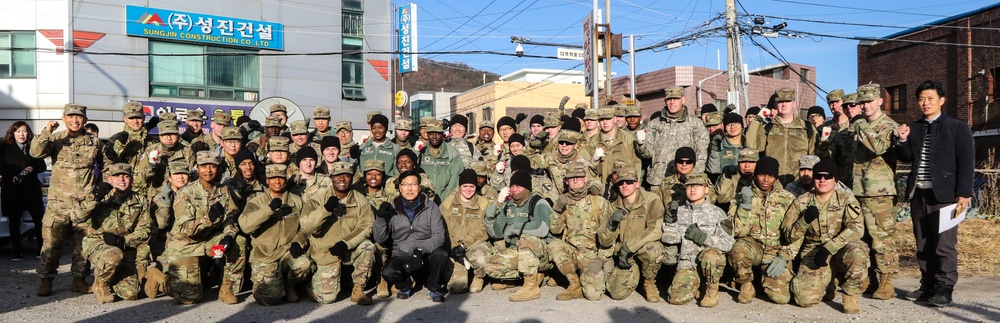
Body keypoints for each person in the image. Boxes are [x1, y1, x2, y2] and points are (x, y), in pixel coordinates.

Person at [895, 80, 975, 307]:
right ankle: (927, 284)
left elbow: (967, 162)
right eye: (921, 99)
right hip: (919, 193)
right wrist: (902, 139)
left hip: (946, 196)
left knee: (944, 245)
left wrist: (963, 193)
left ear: (942, 100)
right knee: (922, 244)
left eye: (930, 98)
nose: (925, 103)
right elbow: (906, 157)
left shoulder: (957, 127)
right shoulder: (916, 126)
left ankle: (944, 288)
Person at [31, 103, 109, 296]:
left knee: (83, 245)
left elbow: (107, 166)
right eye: (71, 117)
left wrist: (101, 188)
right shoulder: (56, 138)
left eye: (79, 117)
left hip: (85, 204)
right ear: (64, 118)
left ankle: (79, 280)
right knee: (51, 243)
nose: (75, 120)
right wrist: (46, 131)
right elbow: (35, 152)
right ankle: (46, 279)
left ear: (85, 119)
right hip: (59, 204)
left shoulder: (94, 142)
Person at [784, 160, 869, 314]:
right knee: (803, 299)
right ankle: (828, 281)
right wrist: (804, 221)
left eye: (828, 176)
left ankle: (849, 294)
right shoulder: (801, 202)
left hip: (841, 249)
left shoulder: (846, 199)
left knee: (858, 251)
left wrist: (830, 247)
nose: (822, 180)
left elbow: (857, 228)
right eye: (818, 176)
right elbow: (788, 236)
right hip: (814, 253)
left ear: (835, 180)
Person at [164, 151, 244, 305]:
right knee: (190, 298)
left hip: (210, 239)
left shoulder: (223, 190)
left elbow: (230, 217)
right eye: (204, 166)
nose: (208, 170)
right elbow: (185, 229)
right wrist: (209, 218)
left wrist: (229, 235)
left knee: (238, 242)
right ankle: (161, 280)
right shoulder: (186, 193)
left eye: (212, 166)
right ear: (197, 168)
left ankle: (227, 288)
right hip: (186, 243)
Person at [299, 162, 376, 305]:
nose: (342, 179)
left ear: (352, 178)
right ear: (331, 177)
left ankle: (358, 290)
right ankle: (311, 281)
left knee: (368, 247)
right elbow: (306, 226)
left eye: (346, 176)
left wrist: (346, 243)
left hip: (348, 247)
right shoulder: (318, 198)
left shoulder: (360, 200)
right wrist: (326, 209)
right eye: (338, 176)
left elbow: (366, 226)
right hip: (325, 251)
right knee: (327, 299)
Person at [850, 83, 901, 300]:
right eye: (861, 102)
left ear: (880, 101)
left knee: (882, 239)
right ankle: (870, 278)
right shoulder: (860, 126)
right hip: (859, 190)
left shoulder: (889, 126)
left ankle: (887, 281)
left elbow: (878, 147)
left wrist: (860, 124)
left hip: (880, 192)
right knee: (863, 238)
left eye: (869, 101)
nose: (865, 106)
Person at [727, 156, 797, 305]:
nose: (766, 179)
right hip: (754, 247)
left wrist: (784, 256)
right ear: (755, 175)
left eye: (771, 176)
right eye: (761, 174)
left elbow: (796, 234)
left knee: (781, 298)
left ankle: (762, 281)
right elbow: (738, 232)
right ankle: (746, 285)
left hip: (775, 251)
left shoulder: (787, 199)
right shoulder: (742, 197)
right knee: (737, 248)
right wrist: (745, 206)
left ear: (776, 177)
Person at [238, 164, 311, 305]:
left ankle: (290, 285)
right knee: (271, 299)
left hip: (287, 251)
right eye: (273, 178)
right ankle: (266, 285)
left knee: (304, 264)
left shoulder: (296, 201)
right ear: (267, 180)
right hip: (265, 255)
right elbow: (245, 226)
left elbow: (304, 227)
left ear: (285, 179)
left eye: (281, 178)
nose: (277, 181)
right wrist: (269, 209)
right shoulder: (256, 202)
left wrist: (298, 242)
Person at [374, 170, 451, 302]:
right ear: (399, 188)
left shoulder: (431, 207)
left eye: (413, 184)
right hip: (402, 254)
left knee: (441, 255)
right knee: (388, 272)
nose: (409, 189)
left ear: (419, 187)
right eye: (405, 184)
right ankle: (405, 285)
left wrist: (421, 249)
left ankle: (434, 288)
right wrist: (380, 219)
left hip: (426, 253)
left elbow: (439, 236)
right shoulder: (392, 209)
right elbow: (380, 239)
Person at [661, 173, 734, 307]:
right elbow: (670, 239)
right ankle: (697, 285)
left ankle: (711, 290)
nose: (692, 189)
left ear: (706, 189)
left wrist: (703, 238)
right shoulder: (679, 211)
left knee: (710, 255)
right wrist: (670, 222)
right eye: (689, 186)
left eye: (697, 186)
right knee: (676, 299)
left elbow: (728, 243)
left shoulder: (717, 213)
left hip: (709, 263)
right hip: (687, 263)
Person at [82, 163, 151, 303]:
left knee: (132, 293)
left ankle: (108, 273)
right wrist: (94, 198)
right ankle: (101, 284)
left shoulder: (140, 201)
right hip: (98, 242)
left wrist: (124, 241)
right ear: (109, 179)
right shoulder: (101, 197)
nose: (122, 179)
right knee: (114, 255)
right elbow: (77, 217)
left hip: (123, 246)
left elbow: (145, 230)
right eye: (117, 176)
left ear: (131, 179)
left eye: (126, 176)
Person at [547, 162, 616, 301]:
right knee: (554, 245)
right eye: (572, 178)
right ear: (567, 181)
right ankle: (574, 283)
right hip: (572, 252)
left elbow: (611, 235)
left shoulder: (599, 202)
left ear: (585, 179)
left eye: (579, 177)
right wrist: (557, 210)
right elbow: (555, 229)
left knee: (593, 296)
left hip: (592, 255)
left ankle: (585, 279)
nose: (576, 180)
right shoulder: (563, 201)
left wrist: (600, 259)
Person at [483, 170, 555, 302]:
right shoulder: (508, 205)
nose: (514, 189)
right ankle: (529, 277)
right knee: (490, 266)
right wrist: (489, 219)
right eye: (512, 186)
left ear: (527, 187)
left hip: (541, 253)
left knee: (526, 238)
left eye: (518, 186)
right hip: (518, 251)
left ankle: (531, 286)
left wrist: (516, 228)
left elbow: (542, 228)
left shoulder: (539, 203)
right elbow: (497, 233)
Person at [598, 165, 665, 302]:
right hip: (625, 255)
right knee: (616, 293)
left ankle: (649, 283)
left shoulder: (651, 200)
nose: (625, 185)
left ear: (637, 183)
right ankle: (634, 274)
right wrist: (611, 225)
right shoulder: (613, 206)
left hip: (641, 248)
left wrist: (630, 246)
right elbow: (604, 241)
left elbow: (655, 229)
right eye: (621, 182)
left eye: (629, 182)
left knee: (653, 250)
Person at [640, 86, 710, 189]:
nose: (672, 102)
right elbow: (648, 153)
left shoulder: (695, 124)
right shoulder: (654, 124)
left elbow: (702, 153)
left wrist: (694, 176)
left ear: (683, 99)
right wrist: (641, 145)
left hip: (685, 181)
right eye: (669, 99)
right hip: (658, 180)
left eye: (676, 99)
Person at [746, 88, 817, 185]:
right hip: (773, 183)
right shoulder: (767, 127)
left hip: (799, 183)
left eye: (787, 101)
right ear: (775, 105)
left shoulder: (807, 127)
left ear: (794, 104)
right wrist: (757, 120)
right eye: (780, 102)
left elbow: (814, 156)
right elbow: (752, 147)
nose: (784, 105)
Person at [143, 161, 191, 299]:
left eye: (184, 174)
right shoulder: (160, 197)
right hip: (165, 243)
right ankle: (154, 274)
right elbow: (161, 224)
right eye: (176, 174)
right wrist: (165, 203)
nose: (181, 177)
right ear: (169, 177)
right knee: (180, 291)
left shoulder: (193, 193)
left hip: (187, 240)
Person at [439, 169, 491, 294]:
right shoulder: (449, 202)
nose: (468, 189)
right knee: (457, 288)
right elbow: (441, 225)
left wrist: (465, 245)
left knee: (481, 260)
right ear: (460, 186)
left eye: (472, 186)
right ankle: (463, 273)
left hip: (474, 245)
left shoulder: (483, 204)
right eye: (465, 186)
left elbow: (484, 229)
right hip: (454, 248)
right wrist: (450, 247)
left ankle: (479, 277)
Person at [0, 121, 46, 261]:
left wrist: (31, 168)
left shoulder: (33, 147)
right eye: (18, 131)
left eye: (24, 131)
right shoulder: (4, 147)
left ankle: (41, 249)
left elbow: (42, 165)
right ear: (12, 133)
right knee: (14, 221)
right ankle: (17, 251)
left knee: (39, 220)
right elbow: (2, 166)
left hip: (31, 189)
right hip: (13, 188)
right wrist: (13, 176)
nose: (21, 134)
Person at [590, 106, 642, 190]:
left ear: (614, 119)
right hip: (602, 188)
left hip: (623, 186)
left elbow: (636, 164)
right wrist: (594, 161)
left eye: (608, 119)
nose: (605, 122)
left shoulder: (627, 139)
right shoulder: (593, 141)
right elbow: (590, 171)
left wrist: (635, 185)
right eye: (602, 119)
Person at [419, 120, 465, 199]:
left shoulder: (452, 152)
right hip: (423, 199)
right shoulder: (420, 152)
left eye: (437, 133)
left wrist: (444, 199)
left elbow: (455, 180)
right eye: (431, 133)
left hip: (447, 200)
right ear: (427, 134)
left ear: (442, 134)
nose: (434, 136)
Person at [106, 102, 156, 170]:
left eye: (138, 117)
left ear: (144, 118)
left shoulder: (152, 141)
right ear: (125, 119)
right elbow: (108, 165)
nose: (135, 121)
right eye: (131, 118)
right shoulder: (117, 140)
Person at [785, 155, 853, 197]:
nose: (806, 173)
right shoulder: (791, 188)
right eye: (802, 170)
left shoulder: (836, 188)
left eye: (810, 170)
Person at [357, 113, 400, 178]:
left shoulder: (394, 149)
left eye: (380, 127)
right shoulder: (362, 147)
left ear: (386, 128)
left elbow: (397, 169)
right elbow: (356, 168)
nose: (377, 131)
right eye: (374, 128)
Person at [706, 113, 745, 180]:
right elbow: (714, 170)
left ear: (742, 126)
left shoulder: (747, 144)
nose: (732, 126)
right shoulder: (719, 144)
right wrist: (715, 148)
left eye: (736, 123)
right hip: (723, 184)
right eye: (729, 124)